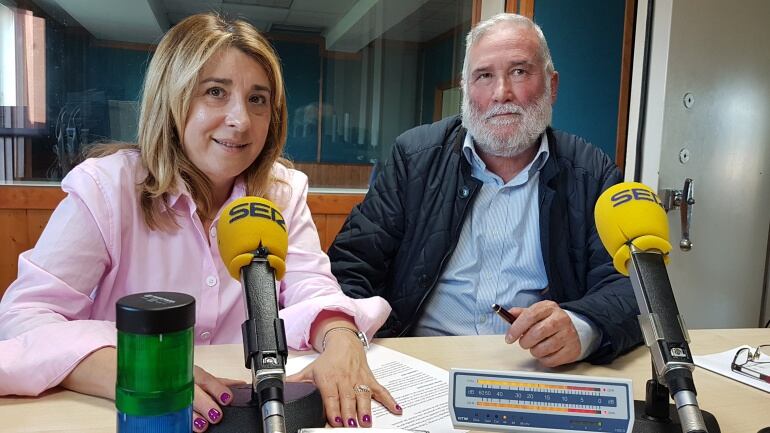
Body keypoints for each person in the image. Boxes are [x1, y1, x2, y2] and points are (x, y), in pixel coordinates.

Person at [0, 13, 400, 432]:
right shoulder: (106, 187)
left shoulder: (282, 190)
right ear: (171, 100)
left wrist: (340, 337)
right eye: (215, 92)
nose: (240, 120)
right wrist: (139, 371)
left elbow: (309, 284)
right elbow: (26, 317)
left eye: (257, 99)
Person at [328, 13, 643, 367]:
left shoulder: (592, 173)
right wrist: (348, 340)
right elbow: (350, 265)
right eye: (484, 76)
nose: (501, 93)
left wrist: (581, 326)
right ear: (466, 90)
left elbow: (628, 284)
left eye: (520, 71)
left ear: (552, 86)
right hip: (422, 360)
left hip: (536, 367)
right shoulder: (415, 158)